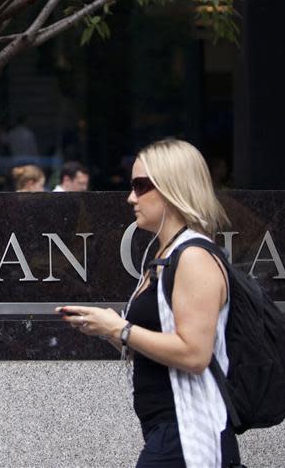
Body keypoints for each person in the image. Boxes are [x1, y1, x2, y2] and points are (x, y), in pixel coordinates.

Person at [57, 139, 242, 468]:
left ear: (173, 188)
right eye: (132, 186)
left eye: (141, 186)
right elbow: (159, 347)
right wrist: (106, 330)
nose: (131, 198)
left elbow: (194, 354)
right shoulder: (165, 255)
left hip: (191, 433)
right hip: (169, 432)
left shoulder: (194, 256)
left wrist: (121, 328)